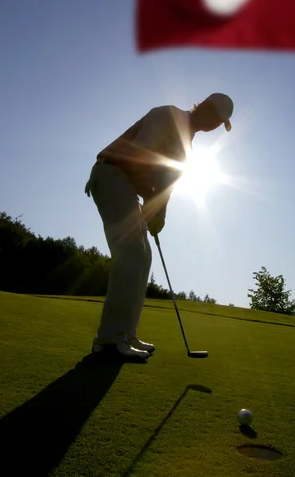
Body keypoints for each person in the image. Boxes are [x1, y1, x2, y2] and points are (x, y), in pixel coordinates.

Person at [85, 93, 234, 359]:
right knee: (131, 256)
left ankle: (126, 334)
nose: (213, 126)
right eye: (216, 118)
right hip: (112, 174)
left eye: (220, 123)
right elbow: (135, 157)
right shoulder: (168, 116)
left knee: (143, 258)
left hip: (126, 186)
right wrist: (149, 201)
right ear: (206, 108)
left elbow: (166, 187)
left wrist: (159, 214)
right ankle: (108, 341)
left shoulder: (187, 148)